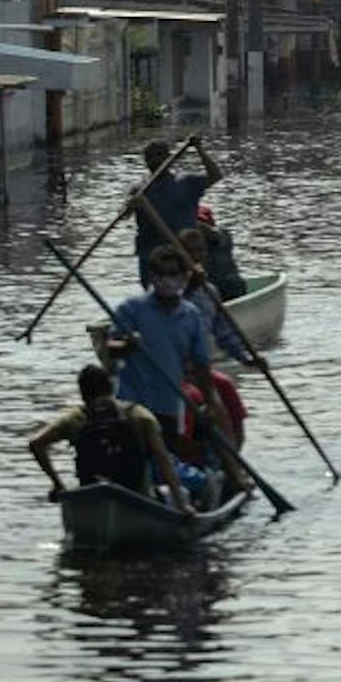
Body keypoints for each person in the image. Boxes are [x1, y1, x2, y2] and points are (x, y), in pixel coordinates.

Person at [105, 245, 218, 481]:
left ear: (184, 278)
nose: (167, 281)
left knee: (164, 466)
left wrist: (209, 403)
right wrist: (127, 346)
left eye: (173, 274)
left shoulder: (191, 315)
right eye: (161, 274)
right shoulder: (132, 309)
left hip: (168, 404)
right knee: (132, 464)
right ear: (152, 277)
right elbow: (109, 348)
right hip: (132, 405)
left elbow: (201, 365)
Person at [28, 363, 192, 511]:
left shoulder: (74, 419)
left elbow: (36, 443)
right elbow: (163, 460)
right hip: (139, 500)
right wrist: (182, 505)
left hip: (92, 501)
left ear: (83, 394)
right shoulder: (140, 415)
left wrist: (58, 484)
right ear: (111, 387)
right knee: (184, 493)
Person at [132, 138, 221, 285]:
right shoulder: (139, 189)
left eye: (159, 155)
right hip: (151, 255)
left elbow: (215, 176)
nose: (155, 160)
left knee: (190, 291)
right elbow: (124, 213)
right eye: (150, 157)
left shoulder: (187, 181)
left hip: (184, 254)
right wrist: (133, 204)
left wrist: (199, 150)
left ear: (169, 158)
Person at [177, 227, 254, 364]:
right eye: (189, 251)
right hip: (171, 361)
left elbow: (224, 334)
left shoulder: (210, 291)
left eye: (200, 250)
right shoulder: (167, 286)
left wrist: (246, 359)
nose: (195, 256)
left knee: (225, 385)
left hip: (198, 364)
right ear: (179, 254)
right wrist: (189, 288)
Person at [194, 204, 247, 300]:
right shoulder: (191, 243)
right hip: (209, 290)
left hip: (231, 288)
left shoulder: (223, 237)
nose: (200, 226)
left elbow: (216, 236)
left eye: (203, 222)